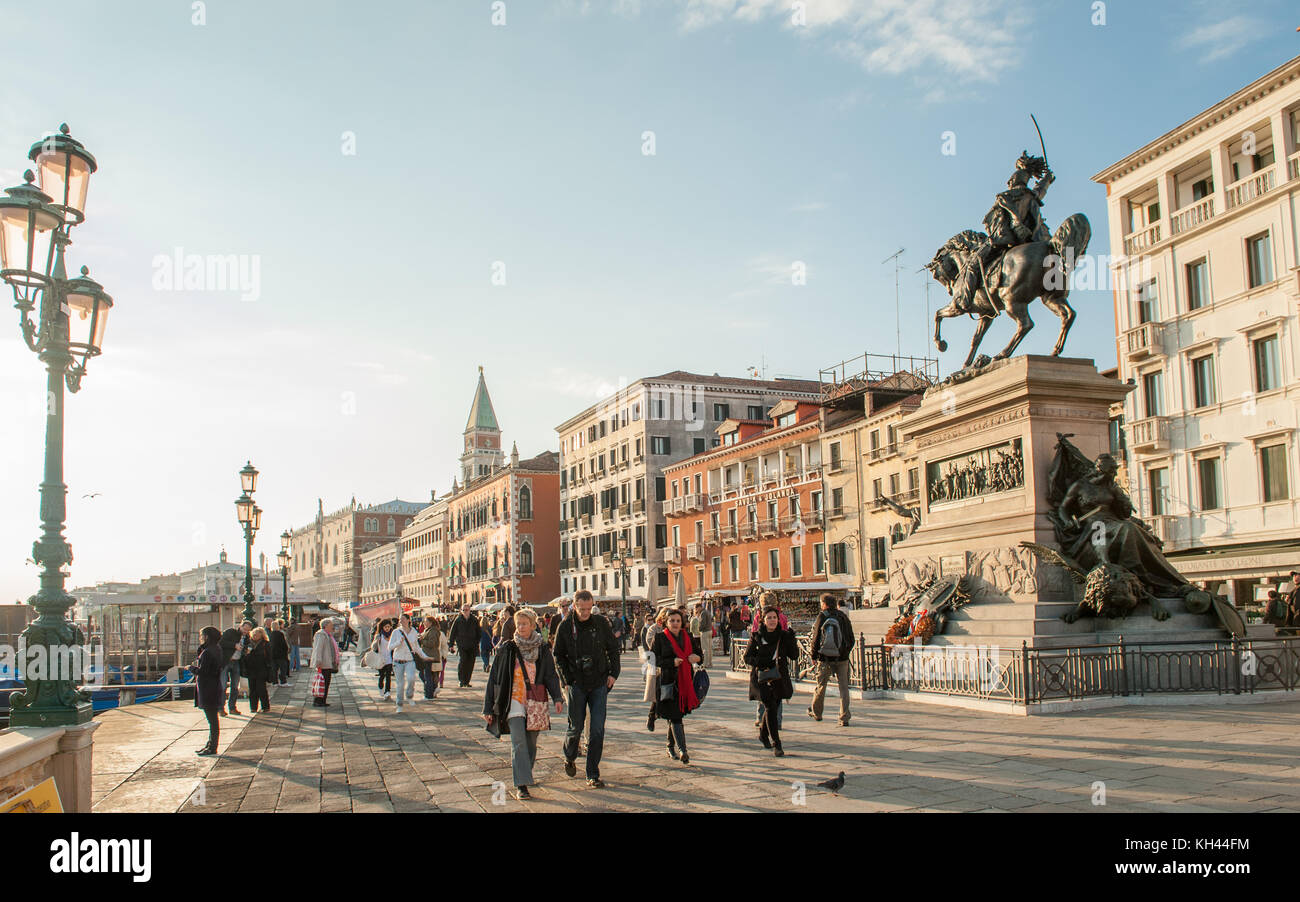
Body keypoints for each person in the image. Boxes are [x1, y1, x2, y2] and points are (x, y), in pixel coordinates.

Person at [482, 608, 565, 800]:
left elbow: (551, 675)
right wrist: (488, 707)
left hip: (535, 701)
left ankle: (525, 772)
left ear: (532, 625)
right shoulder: (508, 648)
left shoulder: (543, 648)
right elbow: (494, 678)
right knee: (518, 742)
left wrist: (558, 698)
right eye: (518, 624)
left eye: (524, 624)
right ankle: (522, 784)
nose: (520, 627)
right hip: (514, 701)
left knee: (531, 743)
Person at [553, 589, 621, 788]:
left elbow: (613, 649)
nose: (585, 613)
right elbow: (558, 655)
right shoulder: (565, 626)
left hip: (599, 681)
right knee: (576, 727)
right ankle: (570, 755)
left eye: (588, 608)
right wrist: (566, 679)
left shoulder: (601, 623)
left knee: (597, 729)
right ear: (574, 606)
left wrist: (613, 673)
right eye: (581, 609)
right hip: (576, 683)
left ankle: (592, 773)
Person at [744, 606, 797, 757]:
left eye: (775, 617)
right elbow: (747, 657)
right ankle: (777, 744)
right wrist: (761, 662)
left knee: (774, 706)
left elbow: (794, 656)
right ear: (763, 620)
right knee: (770, 707)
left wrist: (792, 639)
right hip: (762, 677)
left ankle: (762, 734)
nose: (772, 620)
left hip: (779, 677)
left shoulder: (784, 636)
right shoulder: (756, 637)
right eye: (769, 618)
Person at [653, 608, 701, 765]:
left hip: (685, 682)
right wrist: (670, 662)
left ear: (682, 623)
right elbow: (652, 660)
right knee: (675, 716)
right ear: (666, 622)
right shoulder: (660, 638)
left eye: (677, 621)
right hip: (668, 682)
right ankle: (683, 750)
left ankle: (669, 745)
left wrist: (697, 657)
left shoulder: (688, 637)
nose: (675, 623)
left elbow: (699, 654)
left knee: (675, 716)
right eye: (672, 621)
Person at [808, 593, 855, 726]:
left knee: (821, 686)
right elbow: (851, 638)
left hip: (825, 658)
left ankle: (817, 713)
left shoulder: (822, 616)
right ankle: (844, 717)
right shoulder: (843, 616)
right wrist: (845, 651)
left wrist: (814, 655)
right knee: (844, 688)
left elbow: (816, 637)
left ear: (825, 604)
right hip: (842, 658)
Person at [190, 627, 224, 756]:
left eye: (202, 635)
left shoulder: (208, 652)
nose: (200, 638)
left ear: (207, 637)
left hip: (208, 688)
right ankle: (210, 744)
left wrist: (192, 668)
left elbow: (203, 671)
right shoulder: (216, 649)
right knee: (212, 720)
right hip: (213, 686)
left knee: (212, 721)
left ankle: (212, 746)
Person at [388, 613, 426, 712]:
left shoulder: (414, 631)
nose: (401, 621)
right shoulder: (396, 632)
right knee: (400, 684)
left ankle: (409, 695)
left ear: (409, 620)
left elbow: (416, 647)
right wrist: (398, 642)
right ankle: (399, 704)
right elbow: (390, 647)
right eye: (400, 619)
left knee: (411, 678)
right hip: (398, 660)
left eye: (403, 619)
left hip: (410, 660)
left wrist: (425, 656)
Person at [641, 609, 667, 732]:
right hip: (657, 665)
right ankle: (652, 716)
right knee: (658, 693)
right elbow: (650, 644)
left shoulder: (674, 628)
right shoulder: (653, 629)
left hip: (671, 667)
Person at [219, 621, 252, 716]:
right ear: (240, 626)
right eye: (244, 629)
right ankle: (221, 708)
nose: (245, 631)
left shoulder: (246, 638)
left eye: (248, 630)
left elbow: (246, 647)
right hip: (226, 661)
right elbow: (221, 642)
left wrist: (246, 651)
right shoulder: (230, 632)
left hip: (237, 661)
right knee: (223, 686)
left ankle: (232, 707)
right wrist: (234, 645)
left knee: (235, 686)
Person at [447, 604, 482, 688]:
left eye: (467, 610)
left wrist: (477, 642)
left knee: (470, 663)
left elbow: (479, 632)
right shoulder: (458, 620)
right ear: (461, 611)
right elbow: (453, 632)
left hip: (472, 645)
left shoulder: (474, 620)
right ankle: (461, 680)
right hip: (462, 644)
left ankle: (467, 681)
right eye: (463, 610)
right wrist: (451, 644)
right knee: (463, 661)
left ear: (470, 610)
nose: (465, 611)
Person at [310, 618, 340, 707]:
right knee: (322, 682)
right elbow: (318, 649)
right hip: (323, 663)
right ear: (326, 625)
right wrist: (318, 661)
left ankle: (322, 700)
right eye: (331, 625)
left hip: (327, 662)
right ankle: (318, 701)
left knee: (326, 683)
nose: (332, 627)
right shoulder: (321, 635)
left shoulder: (327, 635)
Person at [243, 626, 274, 714]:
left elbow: (269, 657)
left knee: (261, 688)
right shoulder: (249, 644)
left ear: (261, 635)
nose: (255, 636)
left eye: (257, 634)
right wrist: (247, 654)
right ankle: (253, 707)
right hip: (251, 669)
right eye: (254, 634)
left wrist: (269, 669)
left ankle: (265, 706)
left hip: (262, 669)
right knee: (252, 689)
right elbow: (244, 657)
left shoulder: (265, 644)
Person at [419, 615, 444, 699]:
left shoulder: (433, 631)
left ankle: (429, 693)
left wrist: (422, 640)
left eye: (425, 621)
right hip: (427, 655)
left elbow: (431, 643)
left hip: (430, 655)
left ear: (430, 622)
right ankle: (432, 690)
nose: (423, 623)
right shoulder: (429, 630)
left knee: (427, 675)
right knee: (426, 675)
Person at [372, 619, 395, 698]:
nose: (387, 628)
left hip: (389, 659)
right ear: (382, 627)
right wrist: (376, 641)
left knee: (388, 676)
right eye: (385, 627)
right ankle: (381, 687)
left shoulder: (392, 635)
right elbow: (373, 647)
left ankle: (387, 691)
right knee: (382, 675)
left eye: (389, 627)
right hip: (381, 659)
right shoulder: (379, 635)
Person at [269, 620, 290, 686]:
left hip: (273, 654)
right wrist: (286, 649)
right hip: (281, 654)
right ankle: (283, 681)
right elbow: (283, 644)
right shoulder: (280, 634)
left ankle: (275, 682)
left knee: (274, 669)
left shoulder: (270, 634)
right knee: (283, 668)